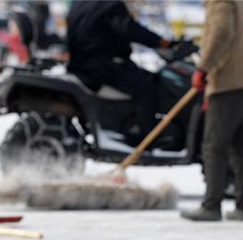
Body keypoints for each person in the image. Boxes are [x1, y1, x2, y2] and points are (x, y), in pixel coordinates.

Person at [180, 0, 243, 222]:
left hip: (228, 84)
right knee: (241, 148)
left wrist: (204, 68)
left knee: (214, 146)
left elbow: (221, 32)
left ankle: (211, 206)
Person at [66, 0, 171, 145]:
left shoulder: (79, 3)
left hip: (80, 65)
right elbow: (128, 28)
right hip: (100, 69)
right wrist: (162, 43)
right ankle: (147, 140)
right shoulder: (111, 5)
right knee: (148, 88)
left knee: (146, 77)